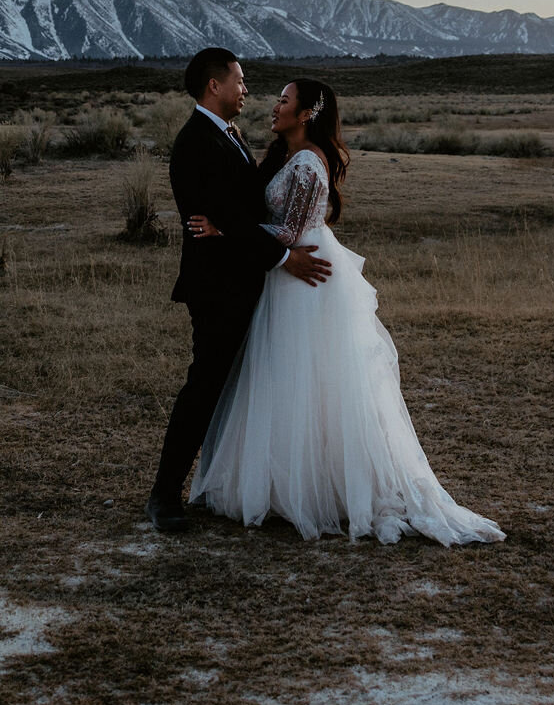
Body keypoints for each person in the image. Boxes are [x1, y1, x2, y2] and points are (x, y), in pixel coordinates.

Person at [188, 78, 506, 545]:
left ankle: (319, 486)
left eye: (284, 100)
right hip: (289, 273)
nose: (274, 106)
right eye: (277, 98)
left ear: (306, 115)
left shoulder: (308, 163)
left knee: (308, 377)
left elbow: (288, 233)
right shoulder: (286, 158)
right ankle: (289, 481)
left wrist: (224, 231)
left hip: (304, 273)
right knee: (289, 378)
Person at [145, 49, 333, 534]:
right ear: (215, 86)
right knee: (205, 385)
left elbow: (239, 215)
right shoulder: (196, 142)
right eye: (241, 80)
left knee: (234, 387)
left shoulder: (227, 135)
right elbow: (225, 213)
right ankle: (164, 495)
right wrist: (284, 257)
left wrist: (234, 229)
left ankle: (243, 482)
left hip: (243, 282)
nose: (247, 90)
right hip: (217, 287)